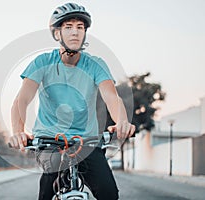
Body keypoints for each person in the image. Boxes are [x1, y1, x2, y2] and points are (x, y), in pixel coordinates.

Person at [9, 2, 135, 200]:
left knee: (109, 193)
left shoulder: (95, 65)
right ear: (57, 33)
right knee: (47, 190)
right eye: (68, 27)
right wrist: (18, 132)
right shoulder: (42, 62)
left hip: (87, 141)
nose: (75, 32)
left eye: (80, 27)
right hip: (50, 141)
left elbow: (112, 97)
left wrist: (122, 122)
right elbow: (21, 100)